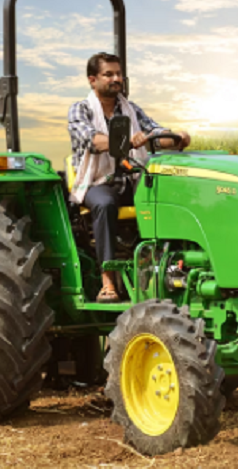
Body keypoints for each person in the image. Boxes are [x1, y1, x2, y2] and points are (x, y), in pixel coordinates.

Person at [67, 52, 191, 302]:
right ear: (93, 80)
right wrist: (124, 141)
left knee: (169, 196)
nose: (116, 79)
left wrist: (177, 138)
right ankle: (107, 281)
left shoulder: (130, 109)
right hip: (97, 182)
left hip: (132, 179)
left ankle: (170, 268)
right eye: (108, 74)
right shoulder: (81, 109)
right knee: (104, 204)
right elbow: (92, 140)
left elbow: (155, 133)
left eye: (119, 74)